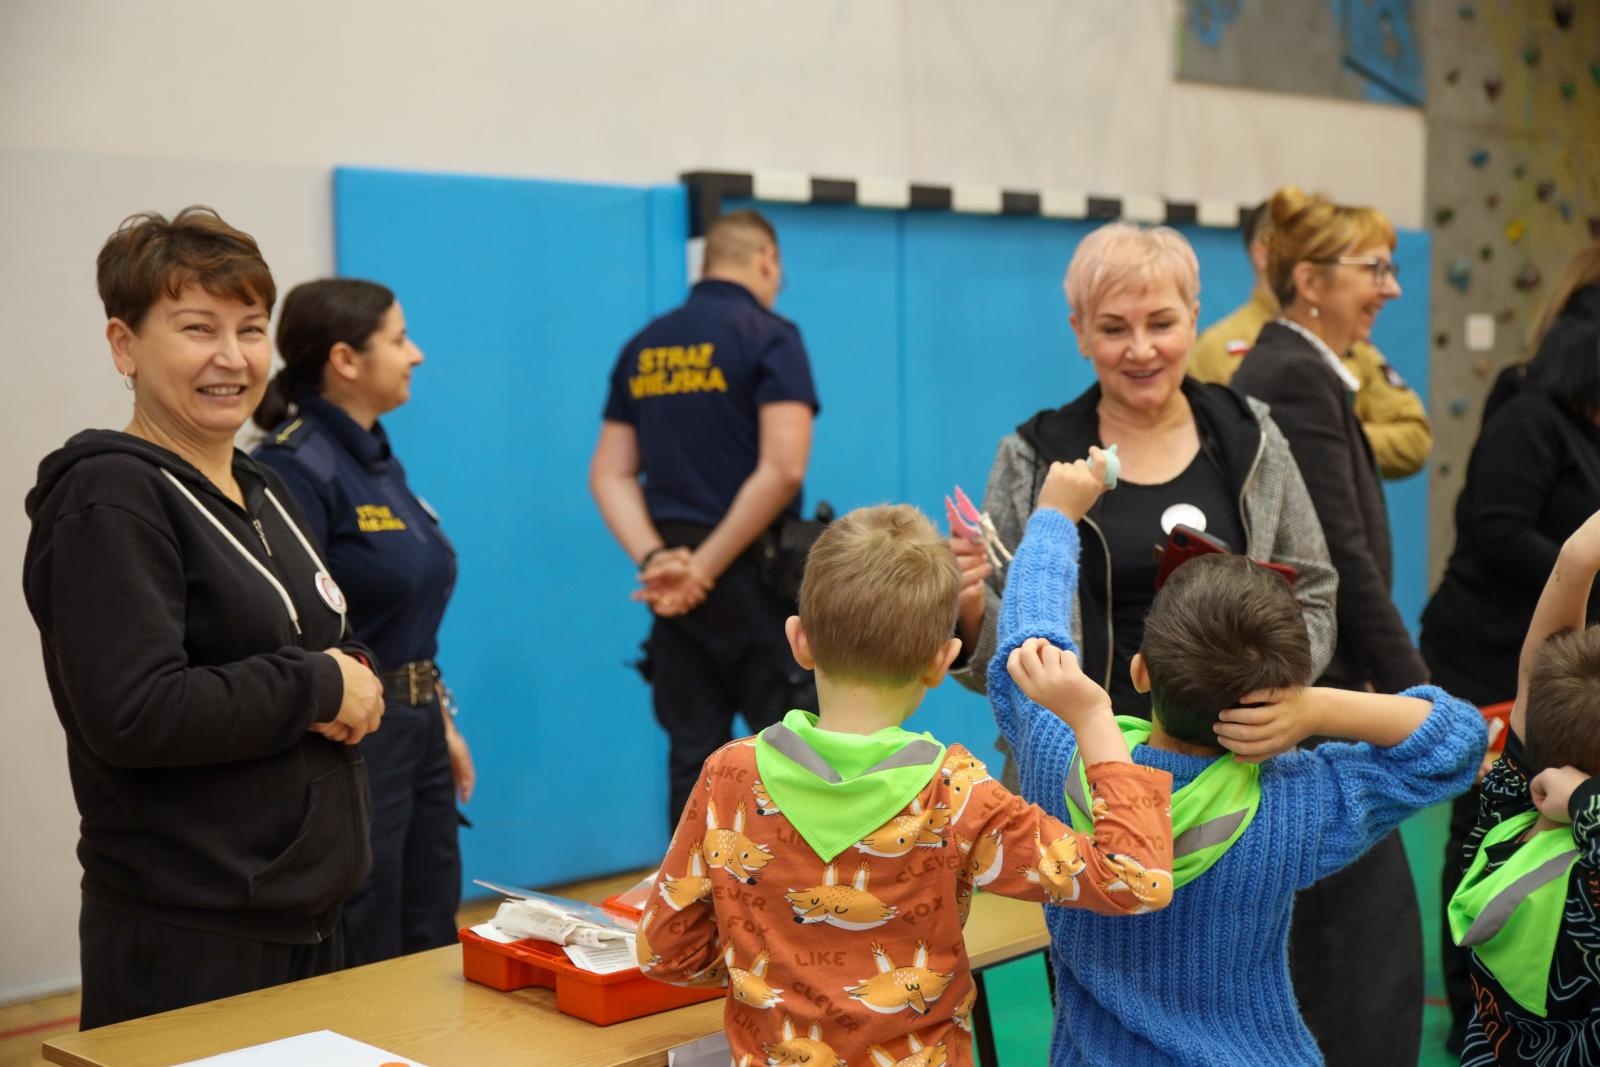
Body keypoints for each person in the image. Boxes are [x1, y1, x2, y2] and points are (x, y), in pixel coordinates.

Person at [638, 487, 1175, 1067]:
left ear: (799, 641)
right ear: (943, 661)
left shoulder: (728, 776)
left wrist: (758, 970)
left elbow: (666, 953)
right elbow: (1136, 883)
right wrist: (1095, 716)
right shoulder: (958, 793)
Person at [21, 208, 385, 1028]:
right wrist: (320, 684)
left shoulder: (262, 486)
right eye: (197, 328)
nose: (232, 357)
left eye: (251, 328)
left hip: (305, 914)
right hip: (191, 931)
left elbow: (314, 633)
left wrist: (344, 667)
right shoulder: (110, 496)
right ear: (125, 346)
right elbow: (135, 712)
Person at [991, 468, 1485, 1065]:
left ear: (1140, 671)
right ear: (1281, 691)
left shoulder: (1060, 758)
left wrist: (1054, 514)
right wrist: (1318, 705)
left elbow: (1025, 642)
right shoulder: (1292, 804)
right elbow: (1458, 740)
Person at [952, 221, 1337, 788]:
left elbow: (1313, 594)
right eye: (1113, 328)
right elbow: (1005, 662)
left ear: (1193, 319)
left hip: (1233, 772)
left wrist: (1272, 697)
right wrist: (969, 612)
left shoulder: (1251, 438)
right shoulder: (1032, 459)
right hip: (1069, 778)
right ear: (1079, 333)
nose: (1141, 349)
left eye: (1161, 323)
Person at [1227, 186, 1432, 1064]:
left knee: (1354, 938)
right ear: (1307, 280)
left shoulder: (1310, 368)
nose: (1390, 288)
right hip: (1320, 699)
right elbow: (1339, 562)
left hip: (1330, 690)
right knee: (1360, 946)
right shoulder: (1292, 376)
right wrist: (1424, 695)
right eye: (1372, 270)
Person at [251, 278, 470, 967]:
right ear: (346, 359)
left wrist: (440, 717)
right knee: (366, 926)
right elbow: (292, 623)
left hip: (417, 723)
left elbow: (405, 609)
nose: (418, 354)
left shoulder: (375, 456)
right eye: (400, 338)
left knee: (432, 917)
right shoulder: (294, 465)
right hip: (354, 733)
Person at [1421, 245, 1600, 1051]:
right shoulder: (1530, 418)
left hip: (1553, 665)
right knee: (1490, 831)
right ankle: (1478, 1004)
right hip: (1494, 658)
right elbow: (1497, 532)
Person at [590, 209, 820, 830]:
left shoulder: (645, 345)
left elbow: (608, 473)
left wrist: (658, 563)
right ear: (766, 259)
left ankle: (688, 915)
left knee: (693, 761)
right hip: (753, 581)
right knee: (795, 756)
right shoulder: (769, 335)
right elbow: (782, 469)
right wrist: (707, 568)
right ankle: (801, 915)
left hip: (673, 596)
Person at [1449, 509, 1600, 1064]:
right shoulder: (1589, 884)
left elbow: (1540, 668)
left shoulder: (1508, 824)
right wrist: (1585, 801)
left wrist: (1578, 557)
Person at [1189, 199, 1432, 480]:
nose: (1392, 290)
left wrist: (1333, 438)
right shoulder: (1221, 346)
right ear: (1265, 255)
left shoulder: (1350, 345)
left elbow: (1414, 437)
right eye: (1371, 269)